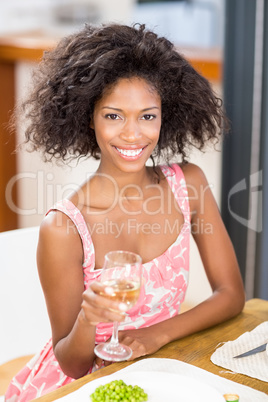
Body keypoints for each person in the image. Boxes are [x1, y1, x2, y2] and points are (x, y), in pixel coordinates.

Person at [5, 23, 245, 401]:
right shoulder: (65, 227)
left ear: (166, 115)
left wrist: (158, 334)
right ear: (89, 116)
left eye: (147, 116)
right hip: (87, 386)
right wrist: (89, 318)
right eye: (114, 116)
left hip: (165, 365)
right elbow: (70, 363)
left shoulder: (189, 185)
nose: (133, 135)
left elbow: (231, 294)